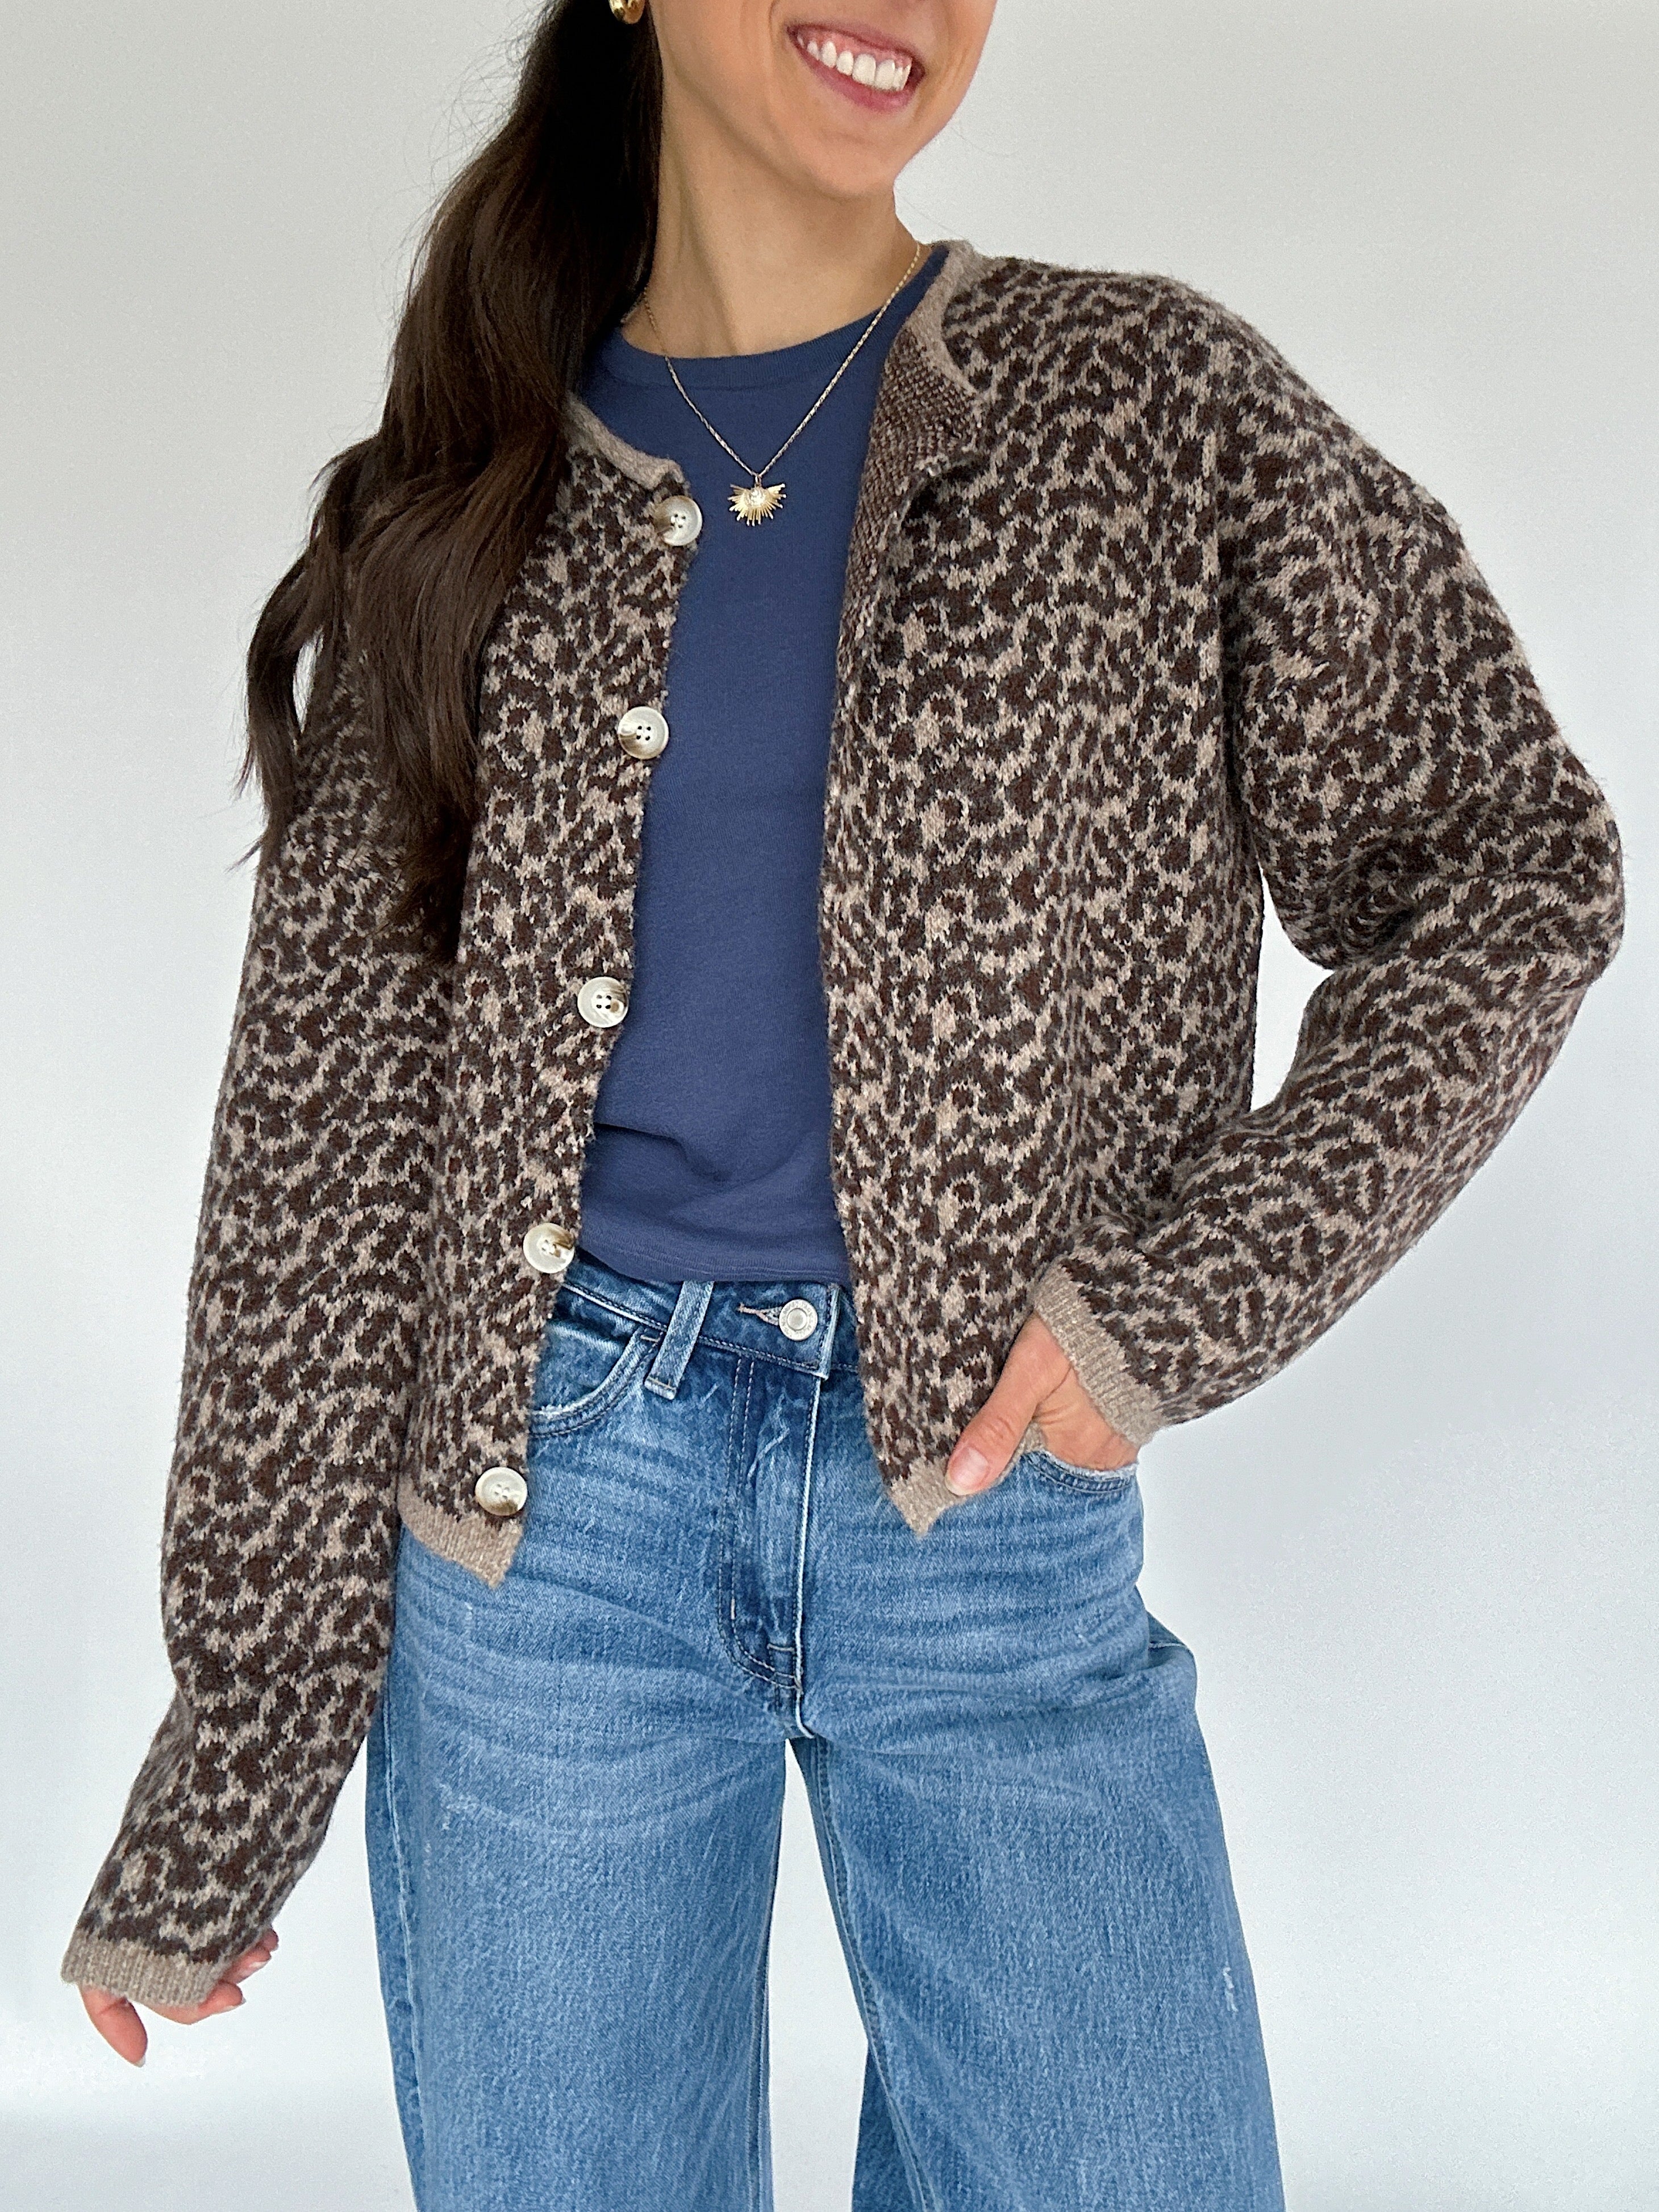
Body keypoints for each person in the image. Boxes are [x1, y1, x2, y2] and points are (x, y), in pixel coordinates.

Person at [62, 2, 1624, 2206]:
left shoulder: (1143, 410)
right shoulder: (460, 502)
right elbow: (320, 1164)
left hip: (985, 1501)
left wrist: (1173, 1308)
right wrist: (243, 1739)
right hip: (544, 1530)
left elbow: (1511, 865)